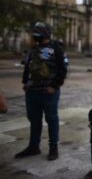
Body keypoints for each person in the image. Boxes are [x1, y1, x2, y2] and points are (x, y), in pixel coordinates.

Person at [15, 22, 67, 161]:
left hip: (48, 92)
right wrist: (25, 82)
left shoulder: (56, 48)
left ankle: (53, 147)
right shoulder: (33, 49)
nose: (34, 35)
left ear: (45, 34)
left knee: (51, 119)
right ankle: (33, 147)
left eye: (37, 32)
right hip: (32, 92)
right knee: (34, 120)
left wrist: (54, 86)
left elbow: (63, 70)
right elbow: (28, 66)